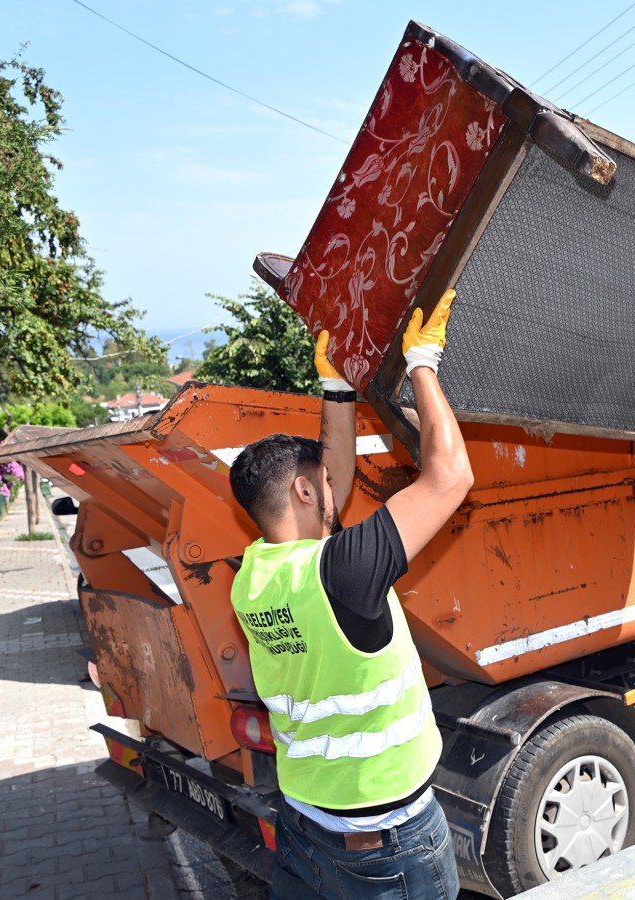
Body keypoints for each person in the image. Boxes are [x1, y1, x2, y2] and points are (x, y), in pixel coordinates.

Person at [228, 289, 473, 900]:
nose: (337, 489)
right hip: (388, 846)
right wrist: (423, 361)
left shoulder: (251, 577)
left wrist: (336, 391)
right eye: (323, 485)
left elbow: (324, 493)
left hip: (306, 825)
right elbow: (451, 477)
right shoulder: (341, 572)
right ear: (308, 495)